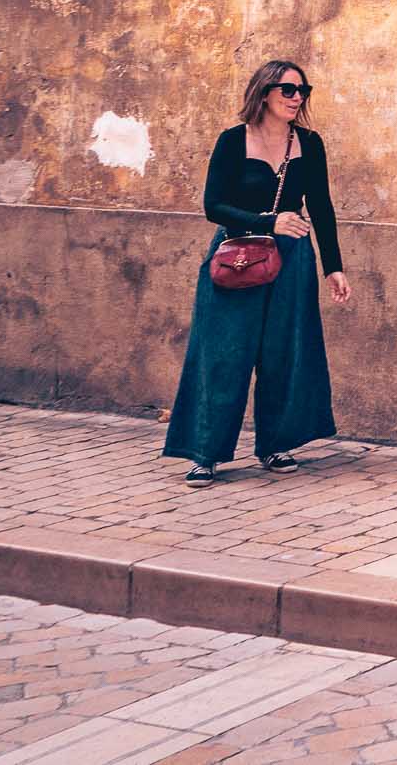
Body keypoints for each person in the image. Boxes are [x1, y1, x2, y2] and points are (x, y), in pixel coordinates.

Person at [164, 61, 352, 485]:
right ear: (264, 92)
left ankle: (274, 444)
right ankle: (205, 453)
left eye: (303, 90)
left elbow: (321, 207)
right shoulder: (233, 141)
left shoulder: (309, 143)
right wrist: (270, 221)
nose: (297, 97)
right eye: (288, 89)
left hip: (293, 260)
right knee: (222, 354)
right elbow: (214, 206)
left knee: (284, 352)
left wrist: (333, 267)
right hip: (238, 256)